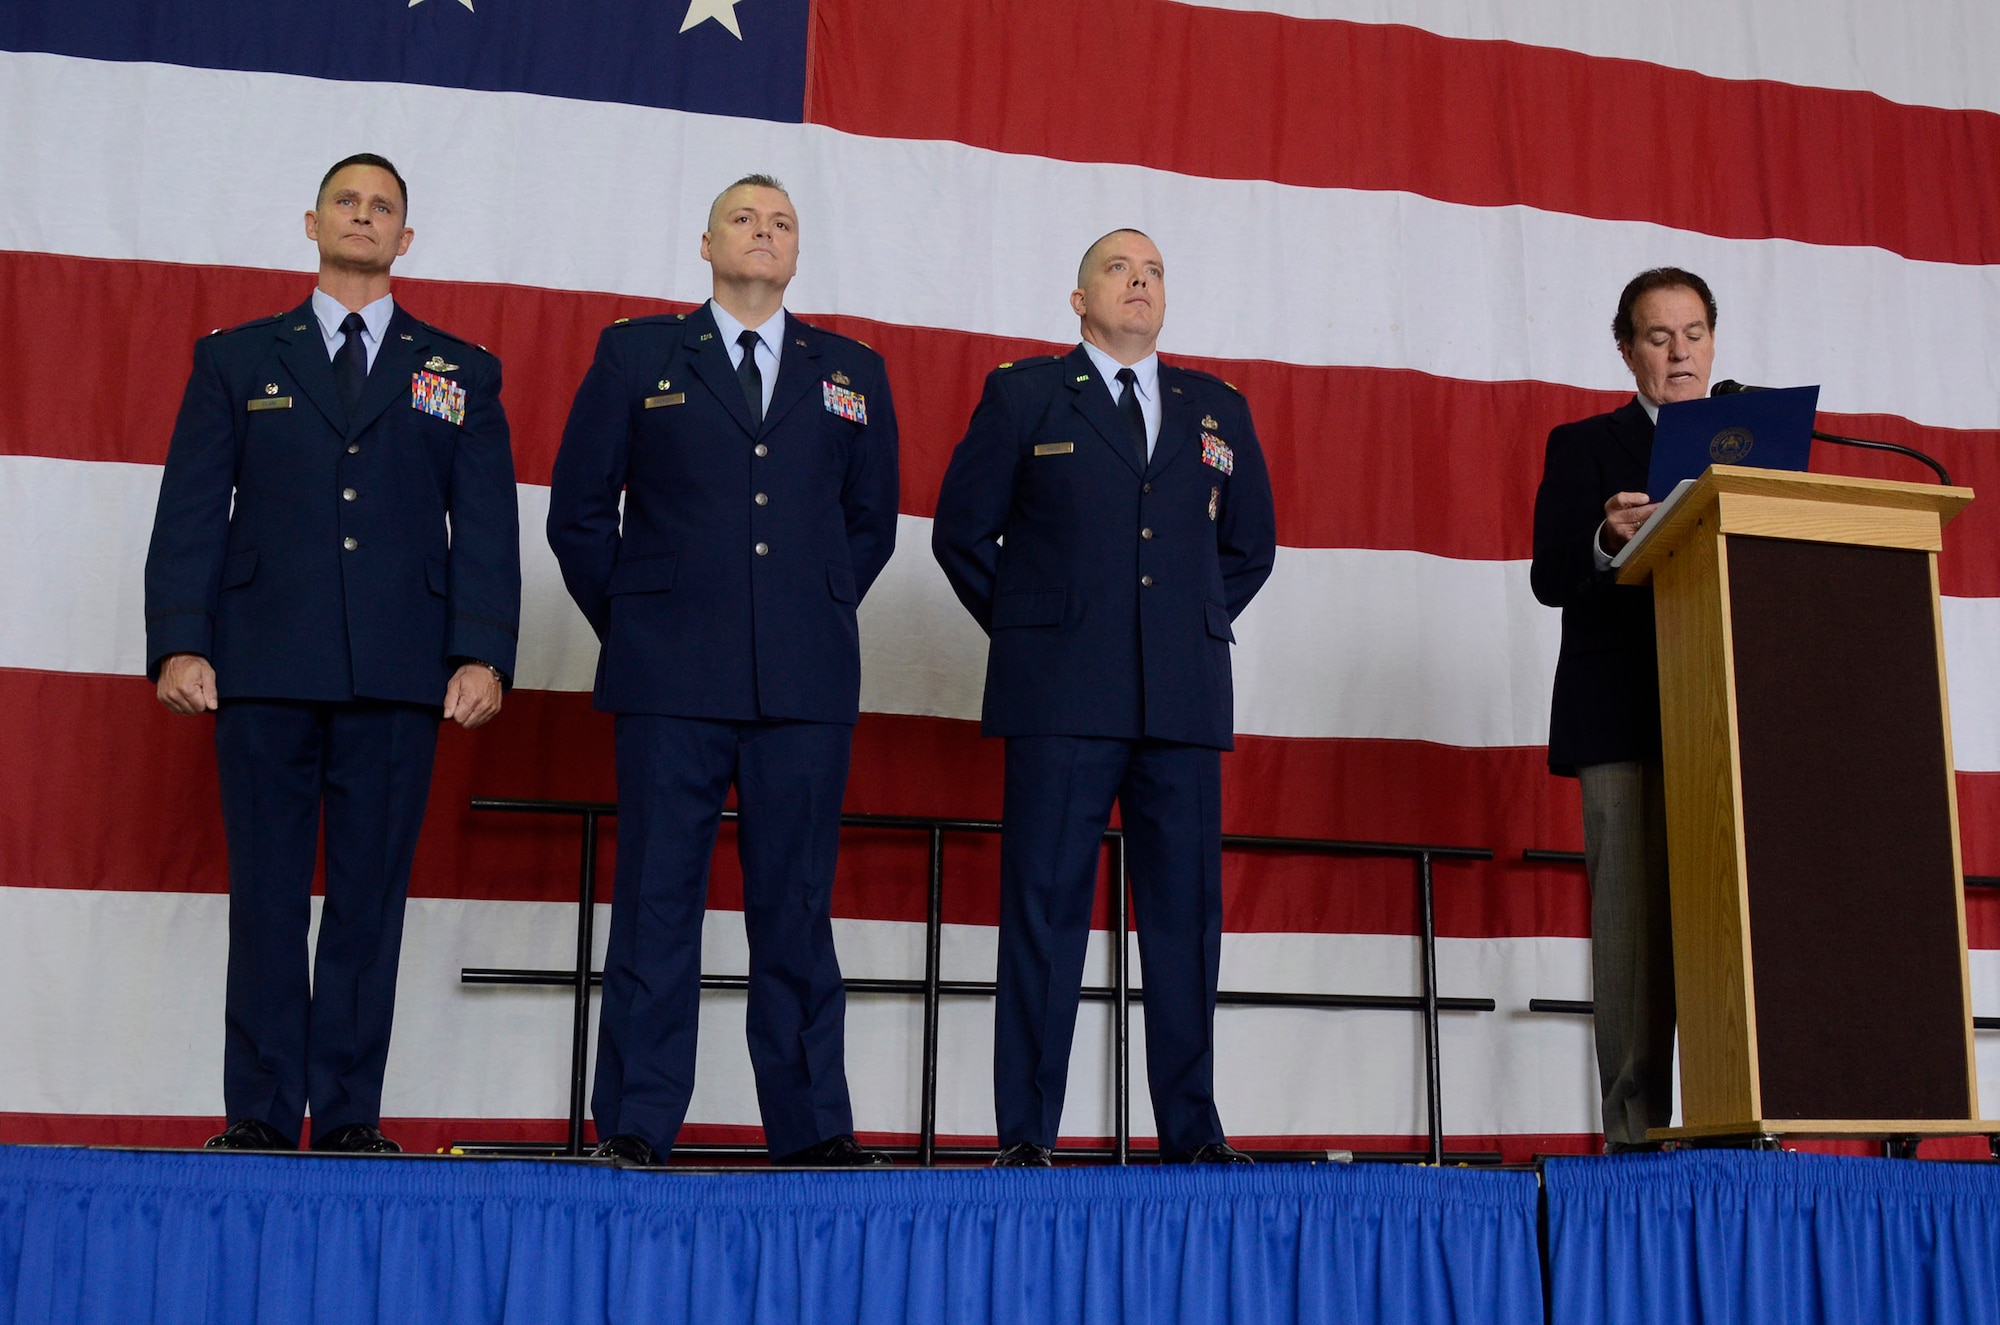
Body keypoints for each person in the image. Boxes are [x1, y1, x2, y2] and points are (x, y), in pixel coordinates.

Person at [145, 154, 522, 1153]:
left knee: (368, 900)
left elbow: (484, 525)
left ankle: (350, 1111)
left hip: (401, 671)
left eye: (383, 207)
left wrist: (481, 652)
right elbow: (192, 508)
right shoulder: (235, 358)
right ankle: (262, 1112)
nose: (363, 217)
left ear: (407, 238)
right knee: (267, 893)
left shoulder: (458, 370)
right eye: (346, 202)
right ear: (309, 223)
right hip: (262, 659)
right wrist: (180, 638)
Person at [547, 175, 900, 1167]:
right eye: (744, 218)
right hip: (666, 675)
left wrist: (809, 609)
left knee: (796, 907)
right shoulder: (637, 353)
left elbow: (866, 524)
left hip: (803, 680)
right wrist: (637, 622)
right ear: (705, 244)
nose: (763, 233)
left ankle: (812, 1126)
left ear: (797, 253)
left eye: (781, 222)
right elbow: (578, 508)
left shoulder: (852, 368)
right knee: (658, 900)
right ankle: (635, 1121)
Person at [932, 230, 1277, 1165]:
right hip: (1059, 696)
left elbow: (1248, 550)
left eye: (1156, 270)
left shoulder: (1217, 408)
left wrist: (1179, 627)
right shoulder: (1024, 394)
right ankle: (1027, 1138)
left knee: (1184, 920)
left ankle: (1193, 1134)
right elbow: (962, 534)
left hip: (1181, 698)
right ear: (1078, 299)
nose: (1141, 282)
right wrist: (1040, 629)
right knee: (1044, 915)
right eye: (1120, 270)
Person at [1530, 267, 1719, 1151]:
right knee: (1635, 944)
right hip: (1626, 721)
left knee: (1735, 926)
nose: (1679, 354)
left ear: (1712, 342)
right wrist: (1607, 540)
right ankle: (1634, 1139)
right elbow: (1547, 577)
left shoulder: (1749, 444)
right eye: (1658, 337)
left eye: (1692, 334)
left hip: (1729, 718)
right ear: (1626, 349)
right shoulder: (1584, 444)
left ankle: (1734, 1127)